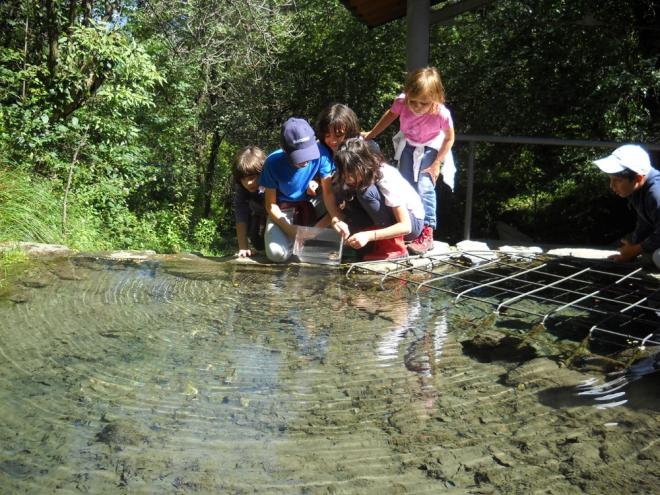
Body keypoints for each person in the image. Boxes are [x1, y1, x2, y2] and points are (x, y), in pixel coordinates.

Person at [362, 66, 455, 255]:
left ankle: (427, 231)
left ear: (435, 99)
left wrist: (437, 163)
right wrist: (370, 134)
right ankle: (407, 226)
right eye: (413, 102)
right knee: (403, 184)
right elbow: (390, 116)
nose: (417, 107)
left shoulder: (441, 113)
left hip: (431, 146)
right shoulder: (402, 102)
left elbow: (449, 138)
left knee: (424, 184)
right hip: (410, 143)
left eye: (424, 103)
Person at [259, 117, 344, 262]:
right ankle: (294, 242)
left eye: (308, 154)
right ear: (285, 149)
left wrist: (316, 230)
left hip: (311, 204)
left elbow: (329, 193)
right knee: (277, 254)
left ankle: (309, 239)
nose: (305, 161)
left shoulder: (322, 153)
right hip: (283, 210)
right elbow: (270, 205)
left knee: (340, 200)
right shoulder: (272, 163)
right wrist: (289, 229)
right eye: (298, 156)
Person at [333, 138, 425, 260]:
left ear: (364, 165)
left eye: (352, 173)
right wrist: (337, 221)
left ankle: (394, 246)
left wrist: (368, 236)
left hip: (412, 224)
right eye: (345, 173)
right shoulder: (346, 176)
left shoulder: (386, 176)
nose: (348, 178)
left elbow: (405, 226)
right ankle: (376, 243)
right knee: (351, 197)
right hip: (385, 221)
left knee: (365, 192)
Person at [593, 144, 660, 266]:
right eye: (610, 179)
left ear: (638, 178)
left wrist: (634, 250)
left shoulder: (656, 194)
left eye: (617, 180)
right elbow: (645, 222)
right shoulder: (639, 189)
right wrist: (631, 249)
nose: (611, 186)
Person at [231, 145, 267, 257]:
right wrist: (243, 247)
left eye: (252, 177)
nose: (248, 183)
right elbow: (240, 211)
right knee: (257, 243)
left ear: (262, 171)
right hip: (258, 212)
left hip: (279, 212)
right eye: (243, 178)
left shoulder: (272, 178)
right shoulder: (241, 187)